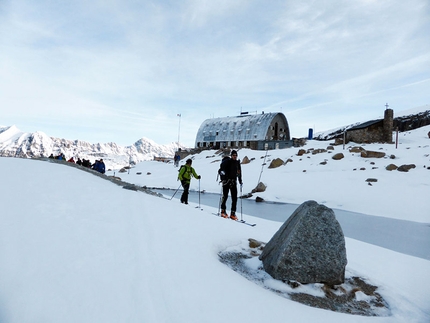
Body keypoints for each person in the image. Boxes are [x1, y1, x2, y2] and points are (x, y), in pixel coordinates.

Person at [220, 150, 242, 220]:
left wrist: (240, 181)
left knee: (235, 198)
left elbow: (239, 173)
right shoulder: (227, 162)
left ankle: (233, 213)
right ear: (231, 156)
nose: (235, 157)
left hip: (233, 182)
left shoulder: (237, 163)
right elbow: (222, 171)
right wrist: (224, 179)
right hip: (226, 182)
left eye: (236, 155)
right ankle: (223, 211)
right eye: (233, 155)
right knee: (225, 196)